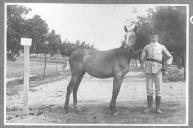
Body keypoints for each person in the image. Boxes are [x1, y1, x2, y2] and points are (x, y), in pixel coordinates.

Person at [141, 33, 173, 114]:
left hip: (159, 69)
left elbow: (170, 56)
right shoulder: (147, 47)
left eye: (155, 37)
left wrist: (166, 65)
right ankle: (149, 108)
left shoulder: (162, 47)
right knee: (149, 89)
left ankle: (158, 108)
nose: (154, 38)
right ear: (150, 37)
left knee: (158, 89)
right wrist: (142, 62)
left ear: (158, 37)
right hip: (148, 69)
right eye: (152, 36)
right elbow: (142, 57)